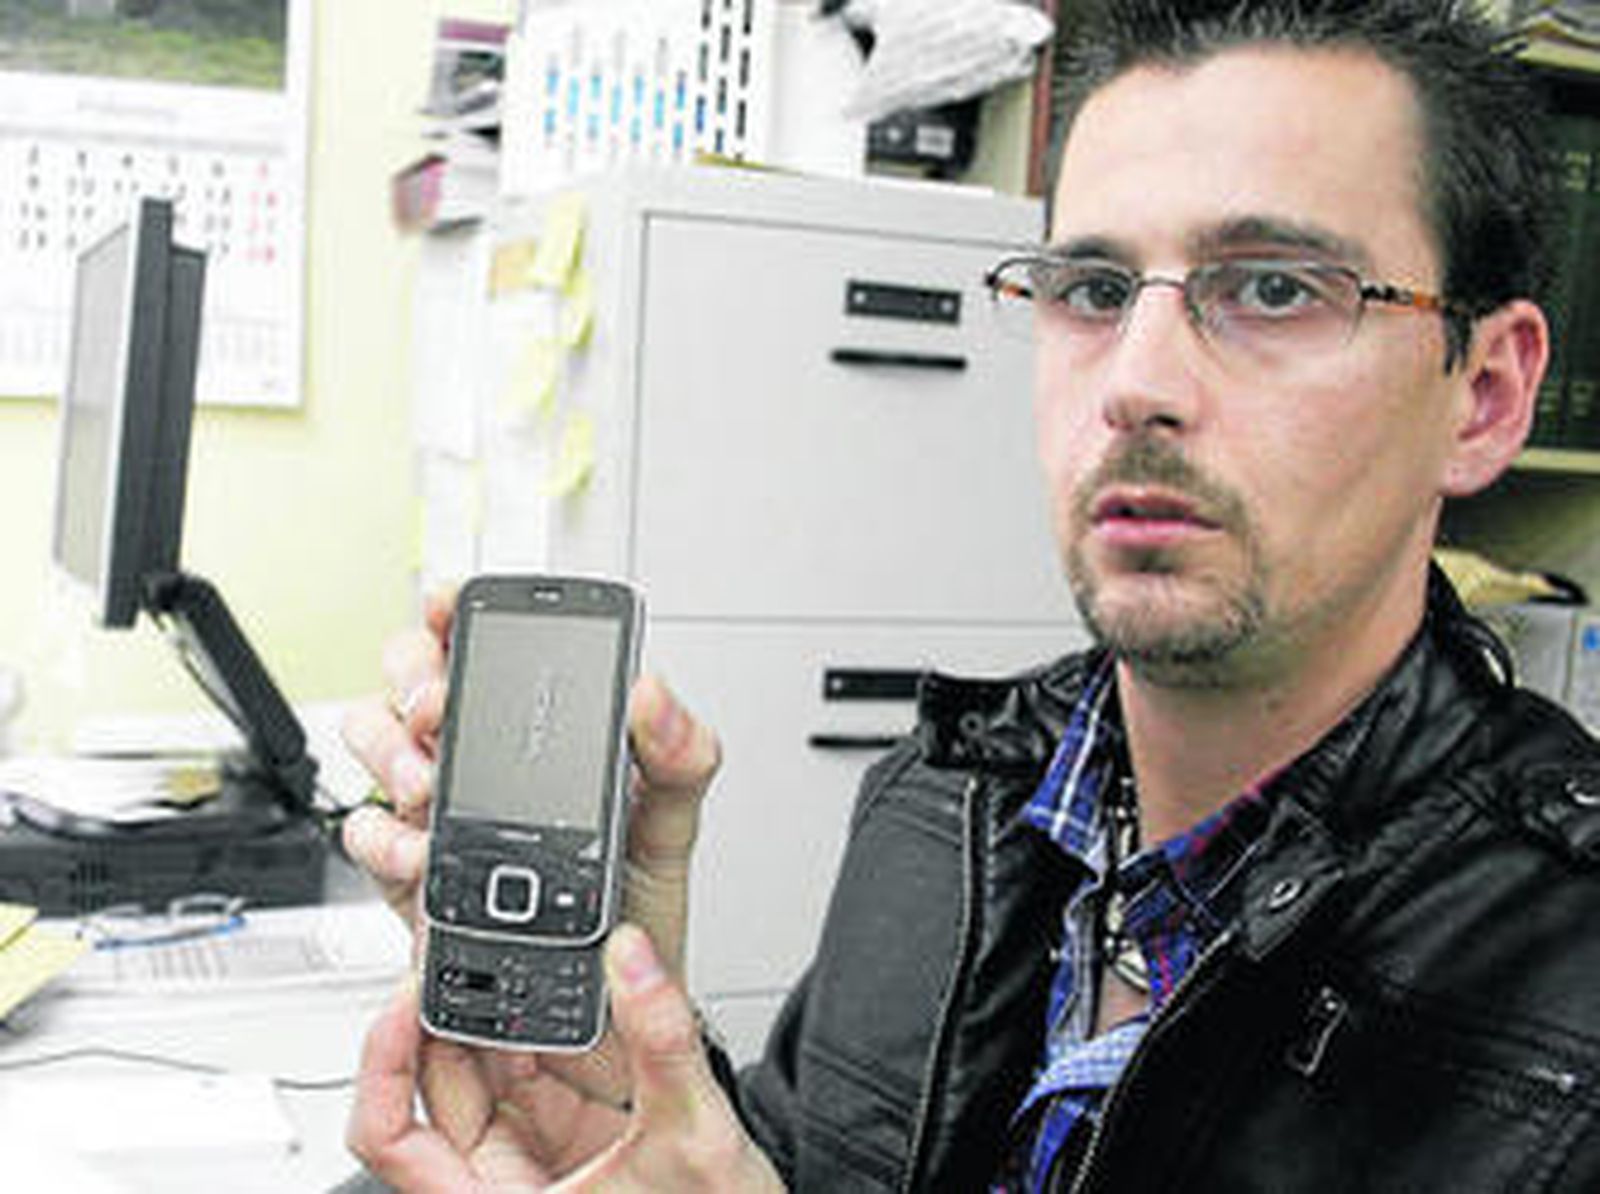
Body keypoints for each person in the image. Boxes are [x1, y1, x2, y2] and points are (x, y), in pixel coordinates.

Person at [341, 0, 1600, 1188]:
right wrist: (628, 1104)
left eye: (1272, 287)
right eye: (1094, 294)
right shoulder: (945, 799)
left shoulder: (1566, 974)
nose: (1134, 383)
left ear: (1483, 395)